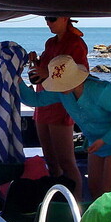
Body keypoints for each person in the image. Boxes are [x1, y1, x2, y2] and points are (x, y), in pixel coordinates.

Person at [18, 54, 111, 199]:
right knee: (94, 189)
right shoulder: (63, 92)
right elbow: (35, 100)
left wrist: (105, 139)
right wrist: (17, 80)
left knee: (108, 192)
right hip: (95, 142)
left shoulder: (100, 90)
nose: (59, 87)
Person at [26, 16, 89, 197]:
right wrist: (36, 63)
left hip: (61, 104)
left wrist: (46, 72)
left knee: (66, 161)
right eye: (46, 19)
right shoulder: (51, 43)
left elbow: (79, 74)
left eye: (52, 19)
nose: (48, 23)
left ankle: (75, 205)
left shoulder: (76, 44)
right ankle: (60, 202)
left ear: (65, 18)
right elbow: (47, 71)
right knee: (52, 161)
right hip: (43, 104)